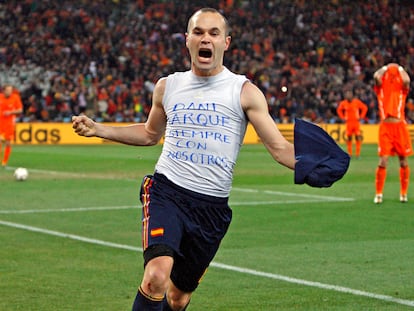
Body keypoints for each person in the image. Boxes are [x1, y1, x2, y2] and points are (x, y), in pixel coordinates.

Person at [72, 8, 348, 310]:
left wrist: (311, 168)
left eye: (214, 33)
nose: (206, 39)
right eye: (199, 32)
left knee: (178, 299)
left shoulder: (244, 92)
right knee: (156, 277)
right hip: (168, 192)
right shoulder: (168, 86)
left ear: (226, 42)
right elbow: (151, 134)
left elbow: (279, 147)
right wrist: (99, 129)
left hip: (211, 210)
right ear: (188, 40)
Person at [373, 63, 412, 204]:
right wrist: (385, 67)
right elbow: (376, 76)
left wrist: (400, 68)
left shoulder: (402, 90)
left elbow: (407, 80)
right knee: (383, 160)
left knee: (403, 161)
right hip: (385, 127)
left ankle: (403, 193)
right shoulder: (380, 89)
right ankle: (378, 194)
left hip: (400, 126)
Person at [336, 89, 368, 158]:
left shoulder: (356, 102)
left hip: (356, 122)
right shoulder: (343, 103)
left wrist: (361, 116)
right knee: (349, 138)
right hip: (348, 123)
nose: (347, 96)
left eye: (349, 94)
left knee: (357, 137)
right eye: (346, 95)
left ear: (352, 95)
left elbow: (365, 108)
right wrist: (342, 117)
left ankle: (357, 154)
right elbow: (339, 110)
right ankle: (350, 153)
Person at [0, 84, 23, 167]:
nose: (10, 92)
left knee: (8, 143)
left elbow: (20, 110)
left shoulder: (15, 97)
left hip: (9, 123)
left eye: (11, 90)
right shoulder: (0, 97)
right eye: (8, 90)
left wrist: (10, 112)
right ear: (4, 91)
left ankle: (4, 162)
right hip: (0, 122)